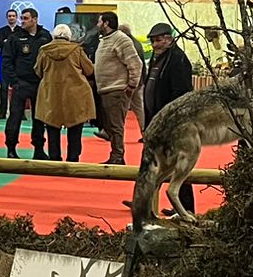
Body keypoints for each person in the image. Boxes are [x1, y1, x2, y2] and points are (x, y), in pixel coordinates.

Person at [34, 23, 96, 162]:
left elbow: (38, 70)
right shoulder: (76, 50)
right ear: (69, 36)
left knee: (52, 127)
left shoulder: (44, 50)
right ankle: (73, 158)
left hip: (51, 94)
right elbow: (89, 70)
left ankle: (54, 157)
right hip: (75, 94)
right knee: (75, 127)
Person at [92, 12, 145, 166]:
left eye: (99, 21)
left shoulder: (121, 40)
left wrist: (132, 85)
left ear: (106, 23)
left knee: (116, 126)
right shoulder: (105, 40)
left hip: (116, 89)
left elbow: (136, 64)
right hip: (106, 89)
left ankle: (118, 156)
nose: (97, 25)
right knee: (110, 125)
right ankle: (115, 154)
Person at [1, 7, 50, 158]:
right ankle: (11, 148)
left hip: (39, 84)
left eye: (26, 18)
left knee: (39, 119)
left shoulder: (45, 36)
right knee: (15, 117)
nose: (22, 21)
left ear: (35, 19)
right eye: (21, 18)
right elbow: (7, 60)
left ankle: (39, 149)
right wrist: (14, 81)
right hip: (20, 83)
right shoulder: (15, 37)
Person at [142, 22, 194, 125]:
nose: (154, 45)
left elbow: (181, 91)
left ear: (169, 40)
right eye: (152, 41)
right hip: (155, 116)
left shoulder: (178, 58)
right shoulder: (158, 56)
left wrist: (169, 114)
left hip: (169, 118)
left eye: (158, 40)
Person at [0, 8, 21, 119]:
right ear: (7, 18)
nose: (11, 18)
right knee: (4, 88)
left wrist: (8, 42)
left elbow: (19, 45)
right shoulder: (2, 31)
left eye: (13, 16)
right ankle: (2, 112)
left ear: (16, 17)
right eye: (9, 16)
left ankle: (20, 113)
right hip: (5, 62)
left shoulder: (21, 31)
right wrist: (11, 42)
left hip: (18, 62)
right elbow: (0, 43)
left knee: (19, 89)